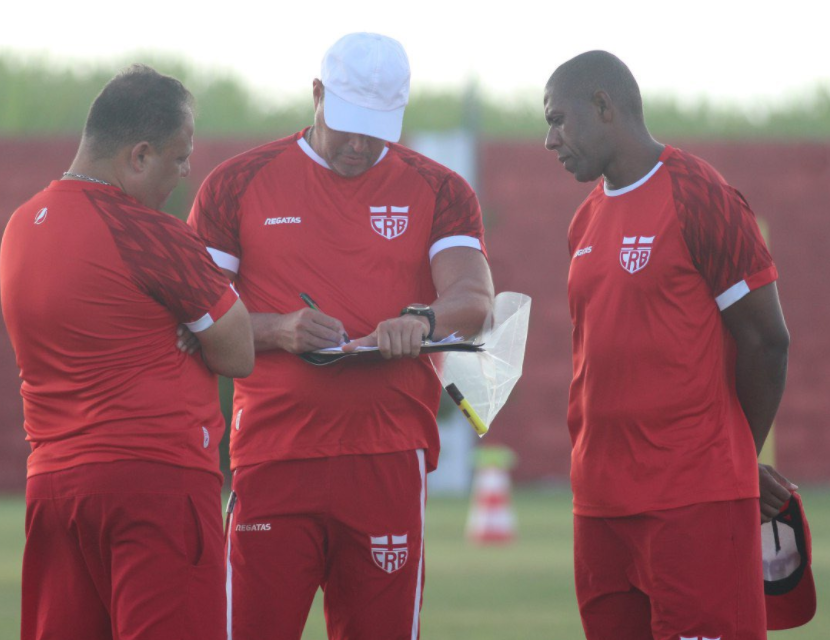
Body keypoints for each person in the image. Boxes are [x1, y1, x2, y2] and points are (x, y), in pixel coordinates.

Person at [188, 32, 494, 640]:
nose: (359, 144)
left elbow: (475, 302)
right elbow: (192, 315)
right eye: (348, 124)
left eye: (377, 129)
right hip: (274, 457)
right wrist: (278, 329)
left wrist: (424, 321)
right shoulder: (236, 183)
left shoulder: (440, 189)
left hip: (388, 457)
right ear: (317, 94)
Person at [543, 51, 793, 640]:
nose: (549, 139)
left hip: (692, 502)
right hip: (599, 506)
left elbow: (767, 341)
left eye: (558, 119)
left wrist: (732, 458)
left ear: (604, 106)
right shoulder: (585, 219)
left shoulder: (699, 194)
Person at [0, 64, 254, 640]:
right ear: (139, 156)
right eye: (180, 156)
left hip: (53, 488)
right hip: (153, 485)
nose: (187, 171)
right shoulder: (147, 231)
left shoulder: (19, 226)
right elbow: (237, 351)